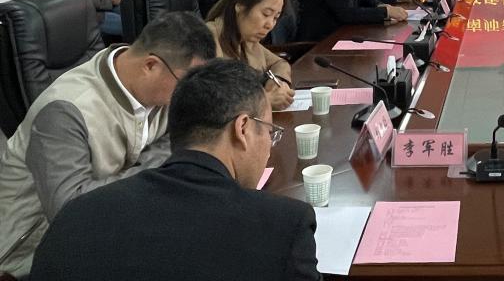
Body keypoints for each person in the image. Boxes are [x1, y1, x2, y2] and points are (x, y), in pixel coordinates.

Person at [30, 59, 321, 281]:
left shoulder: (76, 215)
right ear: (242, 128)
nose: (269, 148)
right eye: (269, 132)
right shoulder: (284, 226)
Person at [0, 12, 215, 279]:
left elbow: (176, 137)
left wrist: (152, 170)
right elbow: (71, 211)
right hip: (27, 254)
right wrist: (157, 176)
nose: (188, 95)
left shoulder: (154, 87)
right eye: (185, 83)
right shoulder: (66, 111)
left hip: (110, 222)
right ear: (151, 65)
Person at [204, 0, 295, 111]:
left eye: (275, 17)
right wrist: (264, 101)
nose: (270, 25)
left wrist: (276, 81)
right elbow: (211, 100)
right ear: (240, 7)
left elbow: (279, 63)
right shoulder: (208, 38)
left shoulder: (247, 39)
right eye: (266, 14)